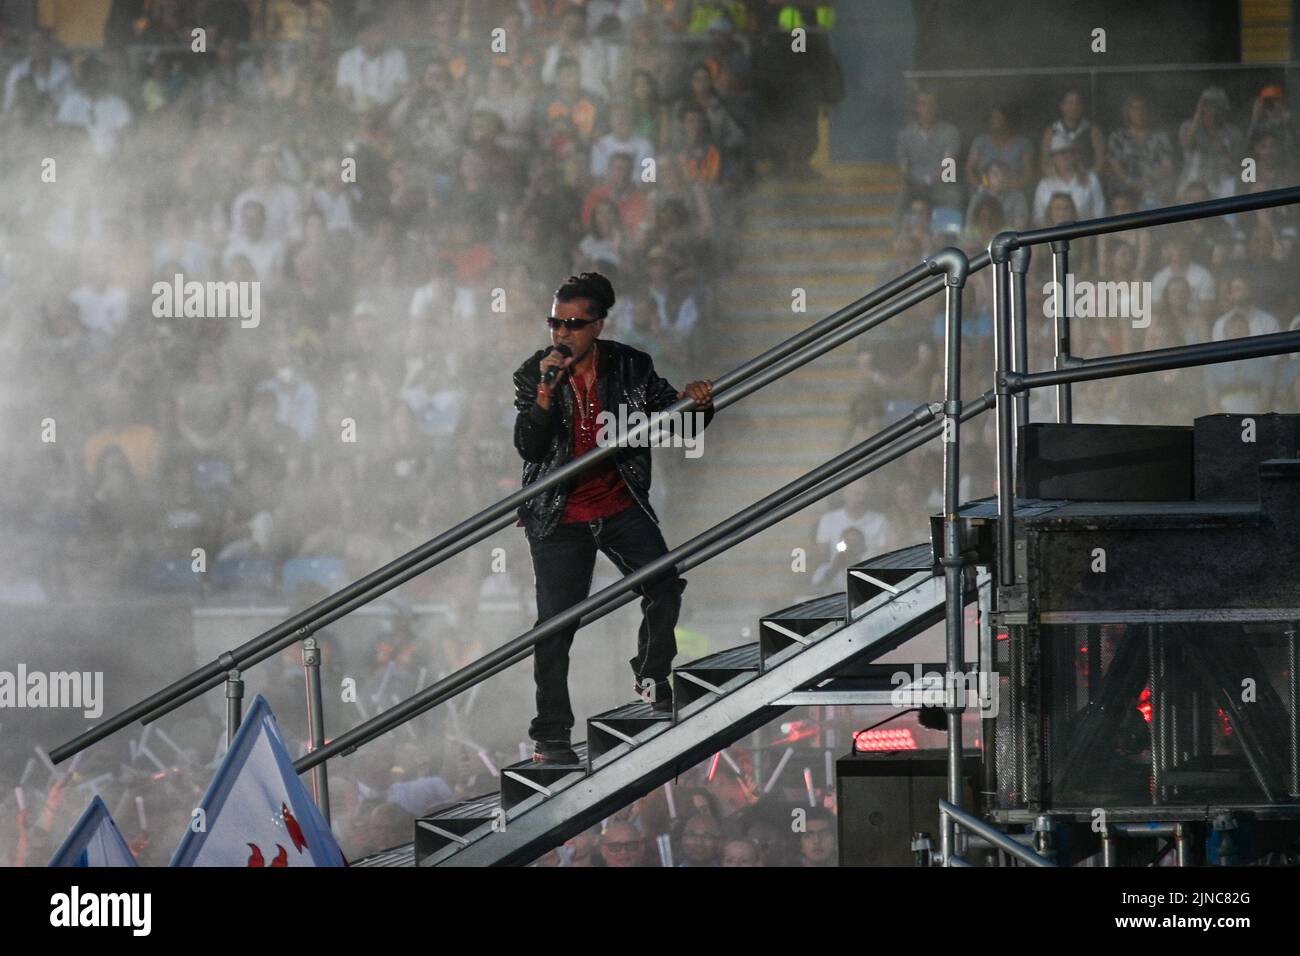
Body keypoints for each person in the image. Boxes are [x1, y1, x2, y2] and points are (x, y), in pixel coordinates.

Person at [512, 272, 715, 764]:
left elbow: (678, 426)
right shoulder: (532, 372)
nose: (561, 333)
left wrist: (700, 404)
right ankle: (552, 735)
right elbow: (529, 445)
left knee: (663, 584)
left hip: (619, 502)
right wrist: (544, 393)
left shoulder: (629, 365)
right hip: (559, 513)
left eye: (574, 324)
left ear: (598, 325)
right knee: (555, 628)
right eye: (555, 322)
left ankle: (651, 675)